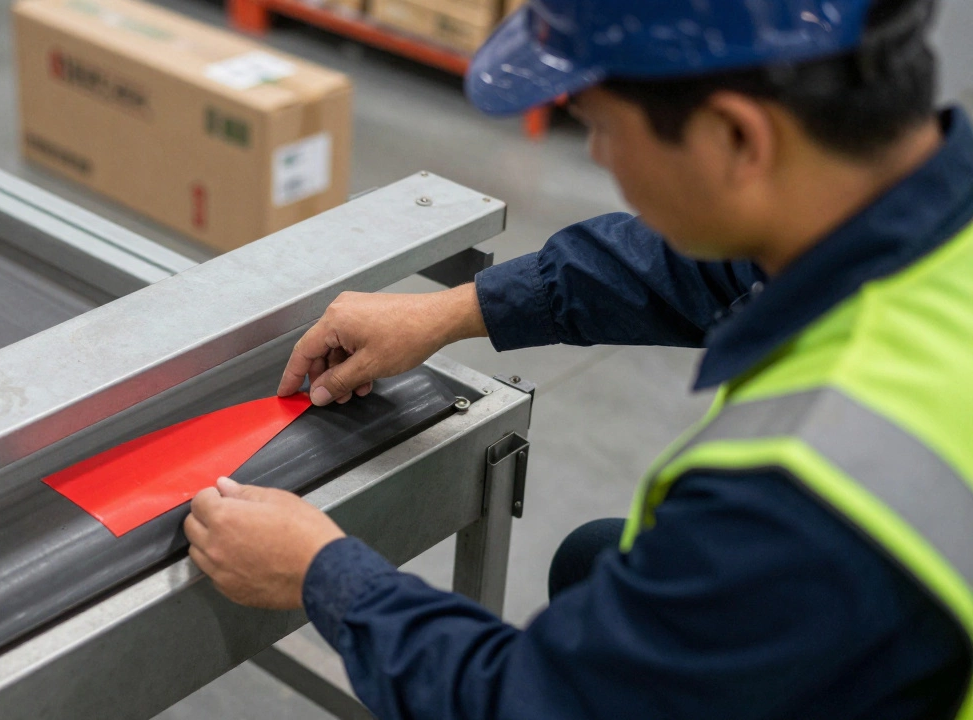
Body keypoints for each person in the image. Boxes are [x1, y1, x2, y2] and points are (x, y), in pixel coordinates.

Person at [182, 0, 973, 717]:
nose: (597, 157)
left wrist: (323, 576)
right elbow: (705, 269)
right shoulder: (906, 210)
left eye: (601, 125)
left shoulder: (794, 493)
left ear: (736, 137)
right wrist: (458, 310)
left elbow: (538, 706)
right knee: (599, 563)